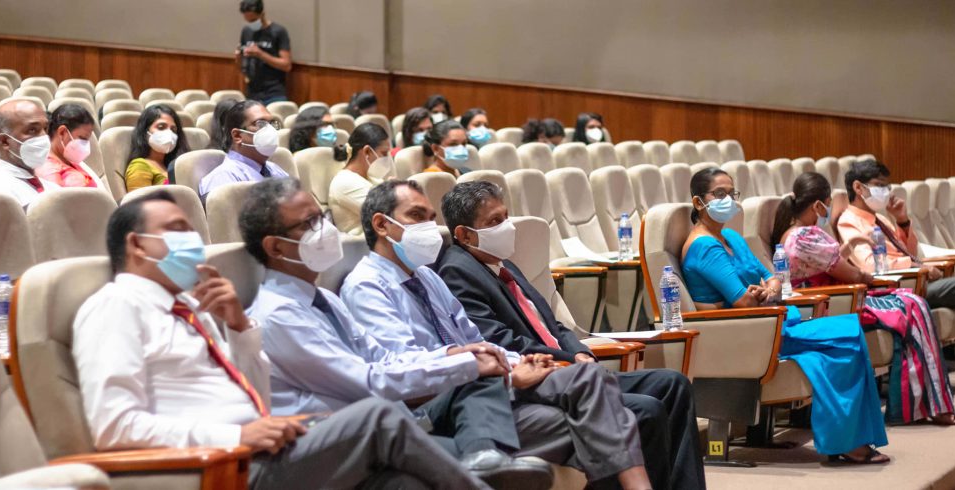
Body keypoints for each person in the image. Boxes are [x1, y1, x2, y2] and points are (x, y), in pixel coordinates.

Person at [75, 190, 485, 490]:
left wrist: (239, 329)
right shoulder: (115, 307)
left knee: (402, 483)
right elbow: (115, 426)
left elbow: (258, 397)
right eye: (177, 230)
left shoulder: (191, 307)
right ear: (136, 244)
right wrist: (235, 437)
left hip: (266, 446)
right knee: (377, 417)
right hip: (219, 466)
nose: (193, 241)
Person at [237, 178, 566, 489]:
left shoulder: (323, 299)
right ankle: (485, 461)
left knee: (478, 387)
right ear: (276, 247)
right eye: (310, 223)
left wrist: (459, 356)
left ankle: (486, 456)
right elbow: (367, 383)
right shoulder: (279, 315)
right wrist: (465, 364)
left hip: (382, 426)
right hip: (333, 442)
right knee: (457, 450)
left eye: (322, 217)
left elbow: (382, 359)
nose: (325, 229)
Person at [340, 179, 658, 489]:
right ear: (382, 225)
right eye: (416, 216)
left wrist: (516, 361)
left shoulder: (426, 277)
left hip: (486, 383)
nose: (428, 227)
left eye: (431, 218)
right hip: (444, 404)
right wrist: (500, 373)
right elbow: (403, 369)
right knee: (613, 420)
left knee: (590, 378)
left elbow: (472, 339)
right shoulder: (367, 287)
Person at [434, 181, 707, 490]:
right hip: (541, 378)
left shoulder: (501, 263)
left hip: (571, 367)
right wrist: (570, 359)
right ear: (464, 235)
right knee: (646, 409)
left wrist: (580, 351)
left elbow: (554, 324)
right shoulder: (458, 271)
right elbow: (502, 341)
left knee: (673, 384)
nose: (508, 227)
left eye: (506, 216)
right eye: (494, 221)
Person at [681, 167, 890, 464]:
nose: (728, 200)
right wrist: (764, 292)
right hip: (749, 334)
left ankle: (849, 439)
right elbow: (743, 301)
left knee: (851, 331)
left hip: (772, 321)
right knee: (846, 339)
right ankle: (846, 441)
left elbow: (773, 276)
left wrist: (768, 289)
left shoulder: (731, 237)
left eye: (731, 193)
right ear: (698, 202)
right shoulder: (704, 246)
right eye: (719, 194)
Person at [773, 172, 955, 425]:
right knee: (912, 305)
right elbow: (851, 273)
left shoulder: (798, 234)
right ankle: (924, 405)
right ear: (817, 205)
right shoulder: (804, 236)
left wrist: (852, 250)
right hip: (835, 304)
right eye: (828, 204)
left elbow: (830, 263)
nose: (828, 209)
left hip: (841, 297)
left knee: (912, 301)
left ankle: (924, 403)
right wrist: (867, 275)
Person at [837, 160, 955, 397]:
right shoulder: (849, 221)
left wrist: (902, 220)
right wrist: (915, 266)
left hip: (915, 282)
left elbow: (910, 251)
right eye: (879, 185)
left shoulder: (881, 219)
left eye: (887, 186)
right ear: (858, 187)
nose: (886, 192)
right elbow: (870, 266)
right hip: (896, 291)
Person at [0, 99, 59, 210]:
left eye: (45, 128)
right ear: (5, 141)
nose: (44, 137)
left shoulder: (52, 187)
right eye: (32, 130)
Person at [199, 100, 288, 200]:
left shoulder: (275, 169)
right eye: (260, 124)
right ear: (237, 135)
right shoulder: (222, 179)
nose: (270, 130)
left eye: (271, 123)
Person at [328, 123, 392, 235]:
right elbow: (388, 214)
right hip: (362, 244)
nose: (387, 159)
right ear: (367, 152)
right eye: (384, 153)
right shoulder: (344, 181)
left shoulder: (373, 178)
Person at [37, 103, 105, 189]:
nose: (85, 145)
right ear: (62, 132)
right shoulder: (48, 170)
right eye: (82, 138)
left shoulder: (70, 160)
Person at [125, 105, 191, 192]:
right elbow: (138, 200)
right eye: (161, 127)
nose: (169, 133)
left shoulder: (174, 165)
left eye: (173, 130)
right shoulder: (139, 165)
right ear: (145, 132)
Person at [236, 0, 292, 104]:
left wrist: (260, 54)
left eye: (254, 20)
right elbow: (241, 67)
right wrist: (238, 56)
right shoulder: (246, 31)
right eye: (248, 21)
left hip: (274, 92)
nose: (251, 24)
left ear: (262, 14)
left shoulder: (278, 31)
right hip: (252, 92)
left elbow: (286, 65)